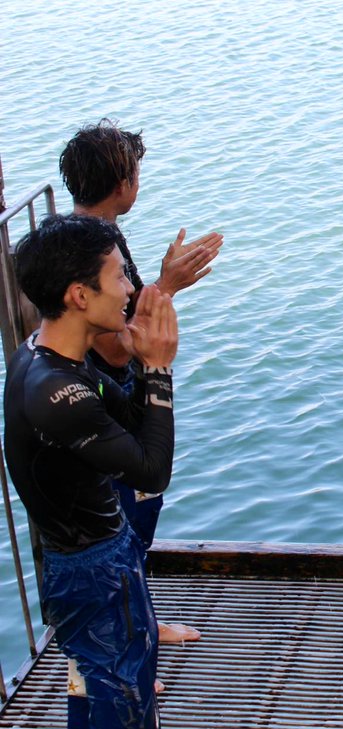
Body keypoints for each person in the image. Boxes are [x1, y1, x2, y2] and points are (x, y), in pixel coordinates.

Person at [4, 214, 179, 728]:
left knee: (114, 685)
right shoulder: (57, 393)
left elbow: (130, 419)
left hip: (102, 553)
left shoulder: (54, 358)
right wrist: (160, 370)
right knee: (121, 701)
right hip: (89, 569)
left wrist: (139, 362)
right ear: (80, 295)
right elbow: (151, 471)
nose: (131, 288)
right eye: (121, 275)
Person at [59, 118, 221, 647]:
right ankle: (126, 642)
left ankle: (139, 625)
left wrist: (156, 286)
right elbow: (112, 342)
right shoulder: (95, 246)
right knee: (127, 521)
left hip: (105, 401)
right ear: (123, 181)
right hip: (113, 404)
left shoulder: (74, 238)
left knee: (126, 523)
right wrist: (167, 287)